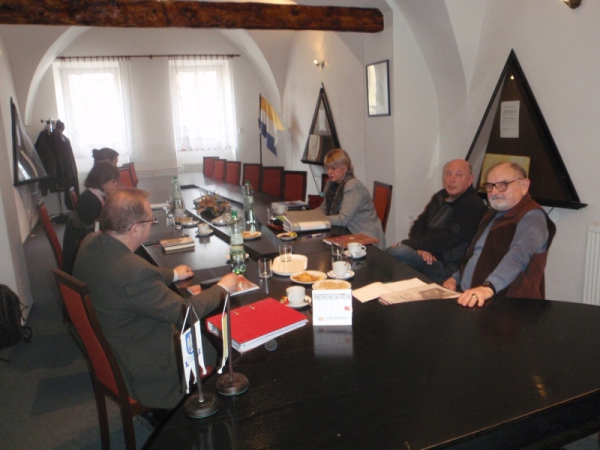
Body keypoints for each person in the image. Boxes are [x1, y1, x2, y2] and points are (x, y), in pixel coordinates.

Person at [73, 188, 239, 410]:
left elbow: (134, 272)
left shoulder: (91, 242)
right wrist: (222, 288)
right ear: (135, 229)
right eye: (150, 220)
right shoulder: (132, 273)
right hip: (148, 371)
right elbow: (185, 312)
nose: (152, 223)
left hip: (118, 348)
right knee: (226, 345)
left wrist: (172, 274)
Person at [442, 162, 556, 308]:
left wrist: (488, 287)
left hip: (508, 309)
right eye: (490, 186)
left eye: (502, 185)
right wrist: (455, 279)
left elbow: (518, 255)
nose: (494, 192)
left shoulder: (532, 216)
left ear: (524, 186)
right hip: (472, 300)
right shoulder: (493, 215)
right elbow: (477, 254)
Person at [386, 159, 487, 283]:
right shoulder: (441, 196)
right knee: (392, 255)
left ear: (470, 179)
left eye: (458, 175)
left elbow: (445, 239)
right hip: (429, 254)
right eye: (448, 174)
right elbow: (419, 224)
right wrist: (419, 249)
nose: (451, 179)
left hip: (448, 268)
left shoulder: (472, 206)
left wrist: (409, 244)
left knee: (398, 252)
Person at [319, 149, 386, 249]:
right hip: (348, 235)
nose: (329, 172)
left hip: (366, 239)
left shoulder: (353, 186)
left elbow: (343, 219)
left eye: (333, 168)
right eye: (327, 168)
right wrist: (307, 216)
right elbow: (323, 209)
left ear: (345, 168)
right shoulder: (331, 184)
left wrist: (317, 219)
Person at [62, 162, 121, 274]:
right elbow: (97, 233)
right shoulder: (92, 201)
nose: (116, 185)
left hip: (82, 249)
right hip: (82, 259)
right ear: (102, 181)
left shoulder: (92, 195)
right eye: (113, 181)